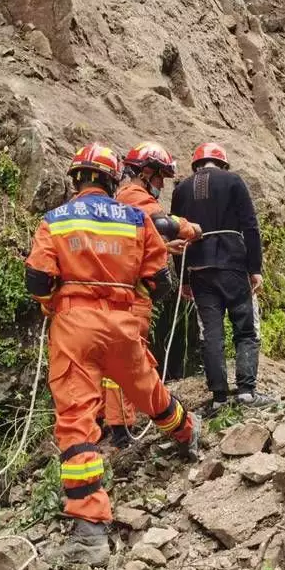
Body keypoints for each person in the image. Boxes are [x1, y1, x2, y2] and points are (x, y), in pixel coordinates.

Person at [25, 143, 199, 565]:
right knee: (148, 391)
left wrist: (58, 302)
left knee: (76, 422)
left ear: (77, 179)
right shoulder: (137, 218)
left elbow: (37, 280)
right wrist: (124, 297)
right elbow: (159, 280)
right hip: (123, 323)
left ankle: (90, 532)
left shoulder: (54, 221)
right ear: (112, 179)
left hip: (73, 327)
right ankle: (188, 433)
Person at [100, 142, 202, 447]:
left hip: (121, 294)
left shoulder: (119, 201)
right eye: (159, 178)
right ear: (146, 172)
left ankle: (113, 424)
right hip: (133, 297)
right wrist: (188, 228)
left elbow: (141, 239)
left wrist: (164, 247)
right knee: (132, 363)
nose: (161, 185)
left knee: (116, 363)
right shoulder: (134, 195)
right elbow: (159, 222)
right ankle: (129, 429)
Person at [171, 142, 276, 414]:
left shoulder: (181, 189)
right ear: (222, 163)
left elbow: (176, 235)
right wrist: (255, 268)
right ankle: (246, 393)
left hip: (198, 270)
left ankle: (218, 398)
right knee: (245, 328)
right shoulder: (233, 181)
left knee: (211, 333)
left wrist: (182, 278)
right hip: (232, 264)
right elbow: (250, 226)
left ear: (196, 164)